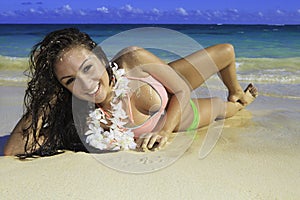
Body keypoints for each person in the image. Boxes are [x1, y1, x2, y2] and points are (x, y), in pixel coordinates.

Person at [4, 28, 257, 157]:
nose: (86, 83)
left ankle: (236, 92)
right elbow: (12, 151)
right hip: (182, 114)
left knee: (226, 61)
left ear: (100, 57)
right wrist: (49, 96)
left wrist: (163, 131)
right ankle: (236, 100)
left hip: (165, 87)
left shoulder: (132, 58)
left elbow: (180, 88)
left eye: (88, 68)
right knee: (221, 108)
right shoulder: (79, 115)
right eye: (70, 80)